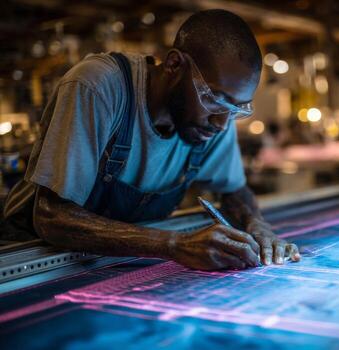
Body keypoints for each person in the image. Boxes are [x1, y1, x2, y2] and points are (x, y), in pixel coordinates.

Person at [2, 9, 300, 270]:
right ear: (173, 65)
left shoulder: (212, 120)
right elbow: (52, 216)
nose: (222, 123)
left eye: (236, 109)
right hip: (31, 263)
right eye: (214, 100)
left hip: (118, 261)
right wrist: (173, 244)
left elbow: (234, 191)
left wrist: (256, 224)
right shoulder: (98, 87)